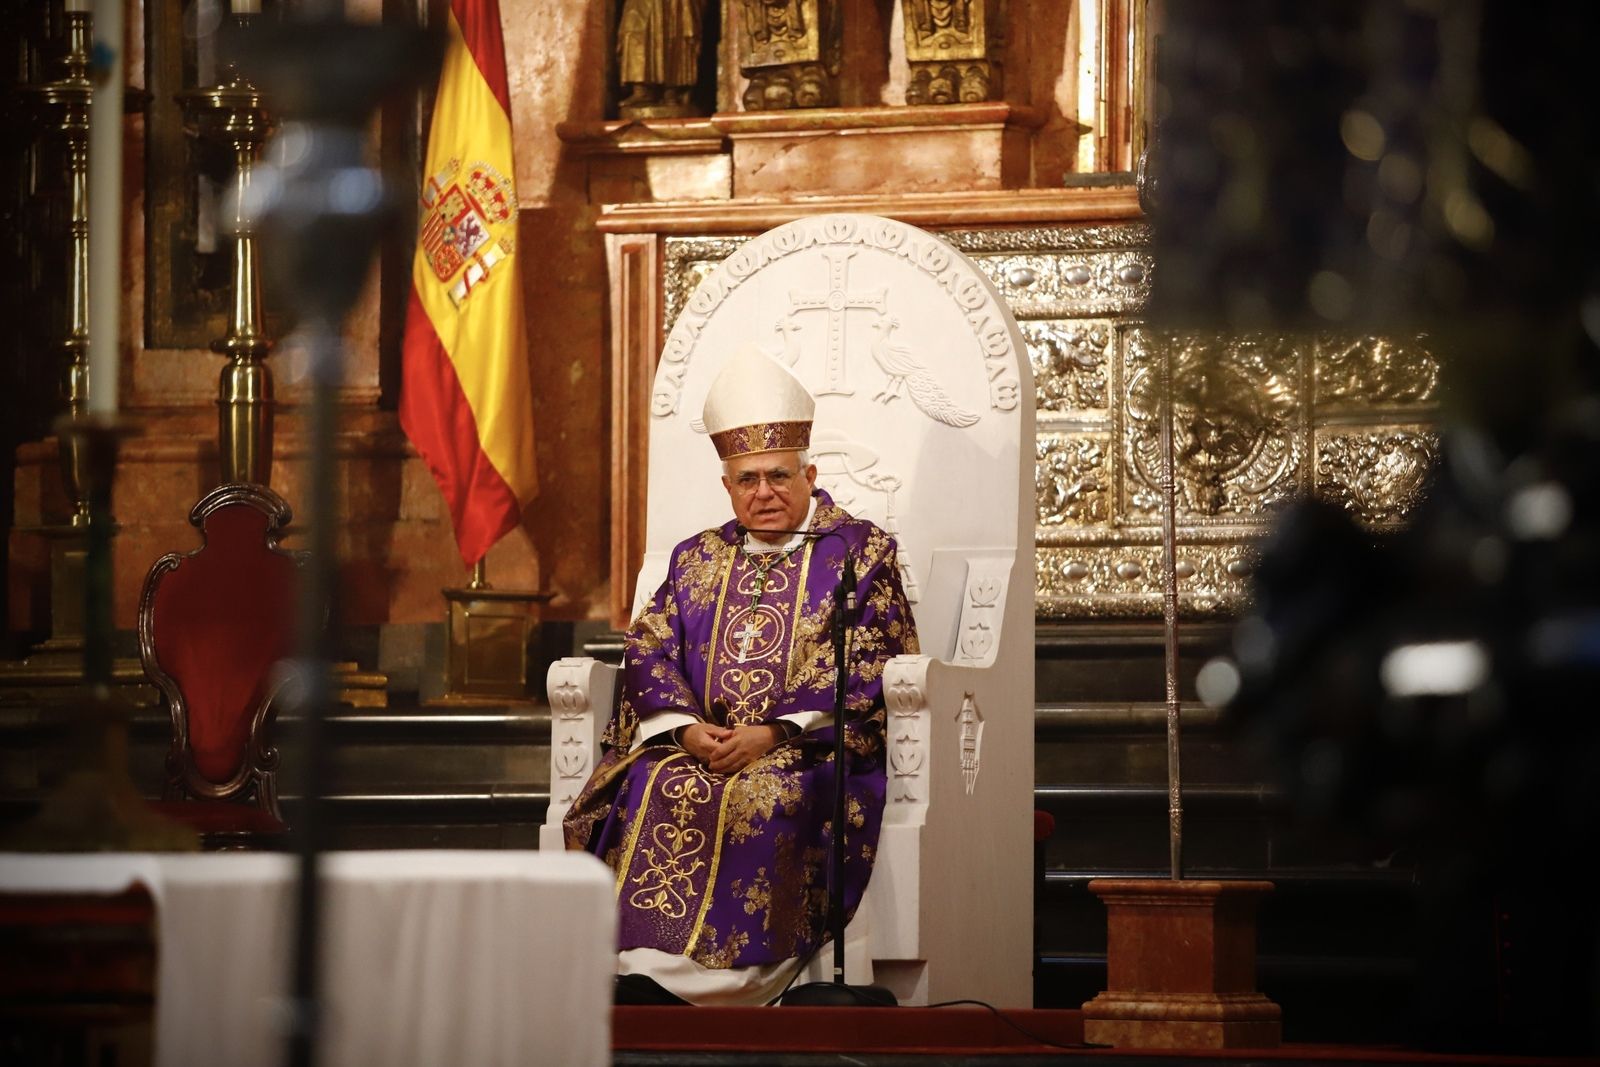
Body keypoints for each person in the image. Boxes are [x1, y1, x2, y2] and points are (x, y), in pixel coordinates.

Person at [563, 346, 919, 1006]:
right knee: (650, 781)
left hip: (802, 750)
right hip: (704, 745)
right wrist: (686, 731)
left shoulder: (858, 550)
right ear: (727, 484)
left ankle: (738, 980)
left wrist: (774, 732)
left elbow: (870, 652)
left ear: (809, 472)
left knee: (767, 797)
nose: (765, 492)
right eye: (748, 478)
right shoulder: (697, 556)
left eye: (780, 476)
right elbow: (647, 649)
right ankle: (642, 963)